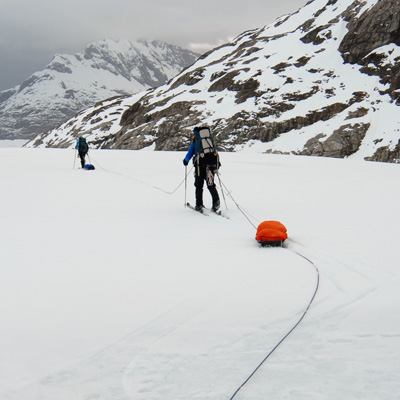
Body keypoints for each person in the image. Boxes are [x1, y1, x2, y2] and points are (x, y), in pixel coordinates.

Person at [183, 126, 221, 212]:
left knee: (199, 185)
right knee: (210, 183)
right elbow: (214, 151)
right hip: (211, 165)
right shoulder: (209, 141)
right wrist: (218, 164)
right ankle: (216, 202)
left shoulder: (196, 142)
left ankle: (199, 205)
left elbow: (189, 154)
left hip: (200, 166)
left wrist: (185, 161)